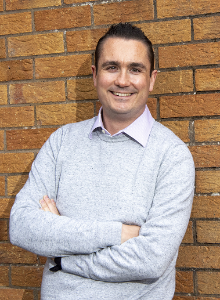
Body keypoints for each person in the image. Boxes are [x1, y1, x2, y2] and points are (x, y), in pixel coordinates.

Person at [10, 23, 195, 300]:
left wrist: (63, 256)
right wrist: (119, 233)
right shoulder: (62, 142)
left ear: (152, 79)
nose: (123, 80)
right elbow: (22, 226)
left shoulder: (172, 156)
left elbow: (151, 259)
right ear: (95, 76)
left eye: (135, 69)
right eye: (111, 67)